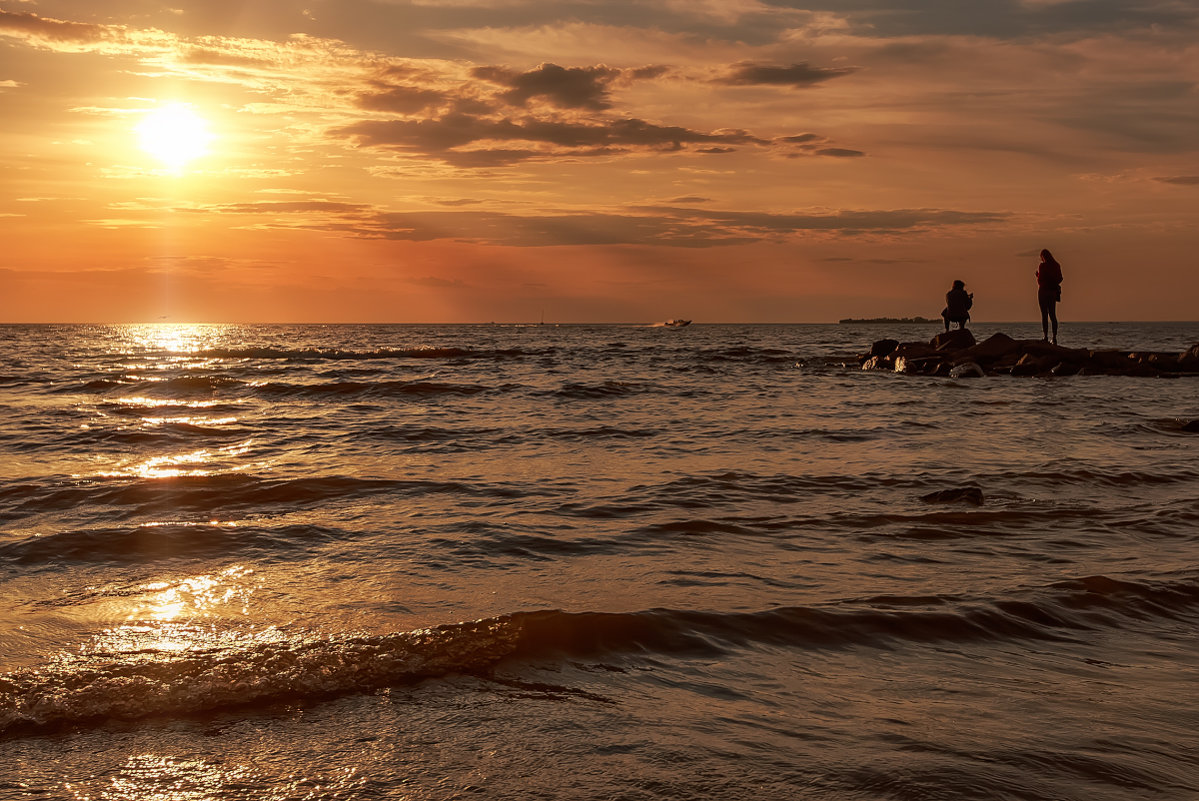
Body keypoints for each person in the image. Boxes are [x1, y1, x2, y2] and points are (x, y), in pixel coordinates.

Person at [1036, 249, 1063, 344]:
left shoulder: (1042, 266)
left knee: (1044, 315)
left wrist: (1038, 275)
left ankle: (1045, 336)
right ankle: (1054, 337)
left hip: (1043, 291)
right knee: (1052, 314)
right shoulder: (1056, 265)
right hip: (1052, 292)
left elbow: (1040, 281)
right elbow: (1060, 278)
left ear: (1043, 257)